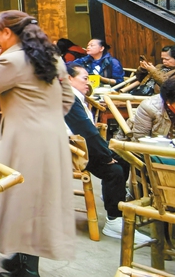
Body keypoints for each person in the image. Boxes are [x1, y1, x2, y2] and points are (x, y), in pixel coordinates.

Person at [0, 10, 74, 277]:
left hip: (25, 140)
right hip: (50, 137)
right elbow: (67, 97)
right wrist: (46, 119)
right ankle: (22, 260)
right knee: (35, 200)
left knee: (25, 199)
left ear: (7, 33)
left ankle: (28, 270)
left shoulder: (12, 60)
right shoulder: (51, 56)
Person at [63, 65, 148, 245]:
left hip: (79, 144)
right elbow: (86, 131)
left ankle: (113, 198)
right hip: (69, 150)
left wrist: (107, 153)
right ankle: (114, 220)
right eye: (84, 78)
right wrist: (105, 155)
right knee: (114, 169)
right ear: (69, 78)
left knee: (124, 159)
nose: (88, 82)